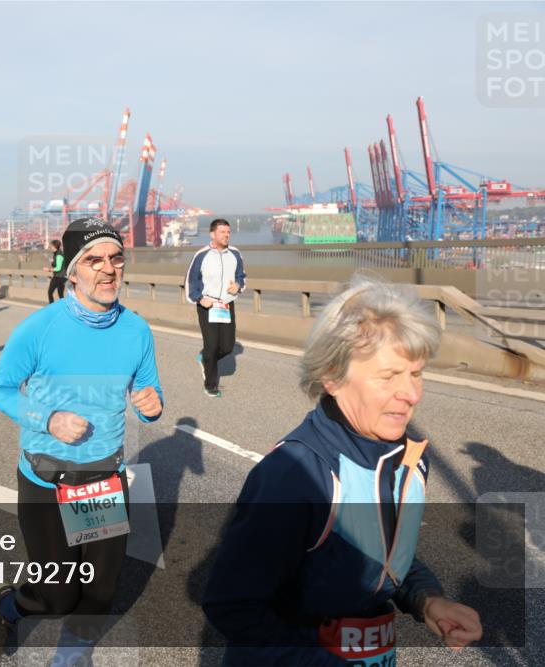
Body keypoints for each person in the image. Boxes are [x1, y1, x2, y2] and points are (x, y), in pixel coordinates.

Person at [203, 276, 482, 666]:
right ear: (332, 376)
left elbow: (378, 556)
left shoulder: (410, 458)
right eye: (389, 376)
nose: (412, 394)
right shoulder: (294, 475)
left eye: (416, 373)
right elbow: (231, 605)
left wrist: (427, 599)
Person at [0, 218, 164, 666]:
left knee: (100, 592)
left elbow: (148, 396)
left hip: (102, 480)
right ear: (72, 270)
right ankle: (7, 606)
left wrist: (151, 405)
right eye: (93, 259)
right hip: (47, 480)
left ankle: (68, 657)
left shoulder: (136, 330)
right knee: (57, 595)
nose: (108, 269)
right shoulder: (39, 328)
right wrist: (49, 418)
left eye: (116, 258)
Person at [186, 218, 246, 398]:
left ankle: (205, 358)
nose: (226, 235)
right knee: (211, 346)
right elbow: (191, 281)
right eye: (222, 232)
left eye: (228, 232)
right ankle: (210, 385)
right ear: (212, 234)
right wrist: (199, 298)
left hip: (227, 304)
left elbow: (241, 276)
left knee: (227, 347)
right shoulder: (202, 255)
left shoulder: (235, 254)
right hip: (208, 305)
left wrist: (238, 285)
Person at [45, 239, 66, 303]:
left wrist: (48, 270)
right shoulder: (57, 253)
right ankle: (64, 308)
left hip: (59, 277)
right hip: (61, 277)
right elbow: (58, 264)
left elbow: (58, 268)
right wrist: (53, 262)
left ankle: (52, 307)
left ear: (54, 246)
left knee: (50, 292)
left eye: (51, 246)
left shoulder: (59, 255)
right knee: (61, 295)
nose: (50, 247)